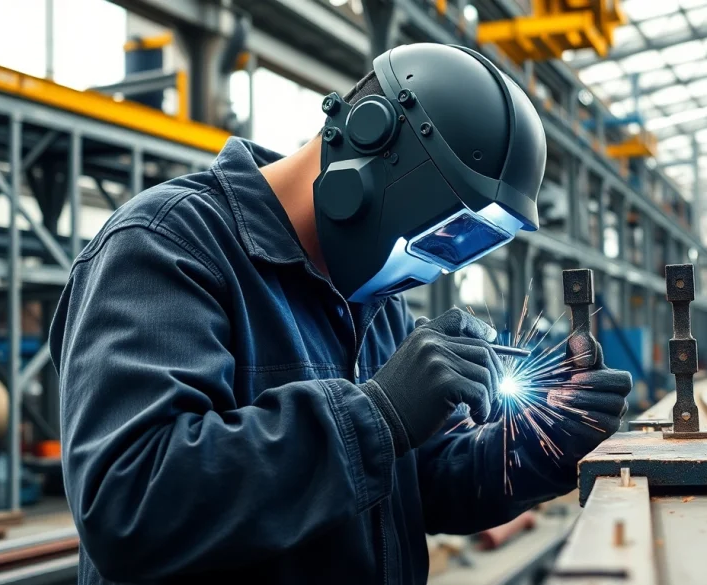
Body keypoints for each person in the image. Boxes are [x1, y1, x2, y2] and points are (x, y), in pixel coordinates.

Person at [49, 44, 631, 584]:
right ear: (370, 146)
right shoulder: (166, 245)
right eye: (438, 235)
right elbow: (131, 501)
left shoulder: (372, 300)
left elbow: (422, 479)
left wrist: (542, 444)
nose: (431, 266)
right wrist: (377, 414)